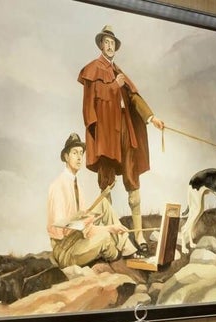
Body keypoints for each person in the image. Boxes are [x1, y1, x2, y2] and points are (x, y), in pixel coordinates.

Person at [78, 25, 165, 247]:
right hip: (107, 133)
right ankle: (115, 239)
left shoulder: (119, 72)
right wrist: (114, 88)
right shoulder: (92, 70)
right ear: (101, 45)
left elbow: (134, 97)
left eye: (112, 43)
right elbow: (91, 104)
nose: (110, 46)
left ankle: (138, 236)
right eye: (106, 42)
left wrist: (151, 118)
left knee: (132, 175)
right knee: (106, 183)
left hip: (124, 129)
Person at [47, 133, 136, 267]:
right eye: (74, 153)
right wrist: (80, 220)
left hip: (77, 237)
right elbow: (59, 226)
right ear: (66, 156)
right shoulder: (58, 186)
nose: (79, 158)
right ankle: (117, 257)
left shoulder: (76, 185)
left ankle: (126, 248)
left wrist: (111, 228)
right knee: (105, 238)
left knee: (104, 203)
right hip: (65, 248)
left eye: (81, 153)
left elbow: (87, 229)